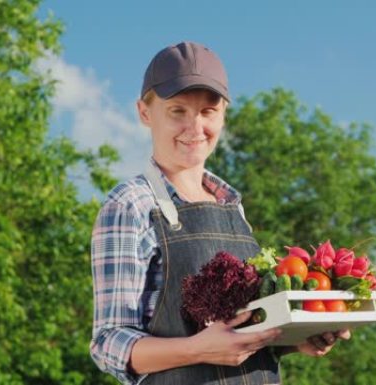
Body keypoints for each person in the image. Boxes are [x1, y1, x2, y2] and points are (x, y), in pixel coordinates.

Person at [90, 41, 349, 385]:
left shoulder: (232, 206)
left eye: (208, 111)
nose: (194, 127)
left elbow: (246, 328)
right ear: (145, 112)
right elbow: (108, 343)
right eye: (177, 111)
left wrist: (296, 337)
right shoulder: (129, 205)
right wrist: (197, 349)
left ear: (224, 114)